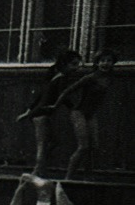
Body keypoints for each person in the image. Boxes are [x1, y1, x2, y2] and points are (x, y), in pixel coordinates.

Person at [50, 49, 118, 177]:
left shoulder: (109, 78)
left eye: (109, 61)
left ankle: (88, 176)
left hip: (91, 115)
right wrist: (55, 106)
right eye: (102, 61)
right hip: (79, 112)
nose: (105, 63)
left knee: (94, 147)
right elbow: (67, 91)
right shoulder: (90, 77)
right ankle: (68, 178)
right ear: (97, 63)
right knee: (83, 147)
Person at [16, 49, 83, 175]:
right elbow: (63, 96)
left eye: (78, 64)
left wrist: (28, 112)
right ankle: (37, 172)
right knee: (42, 144)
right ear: (64, 64)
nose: (77, 68)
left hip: (39, 112)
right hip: (42, 113)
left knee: (52, 142)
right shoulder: (61, 78)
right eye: (74, 64)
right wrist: (74, 108)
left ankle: (40, 168)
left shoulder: (54, 77)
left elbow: (41, 96)